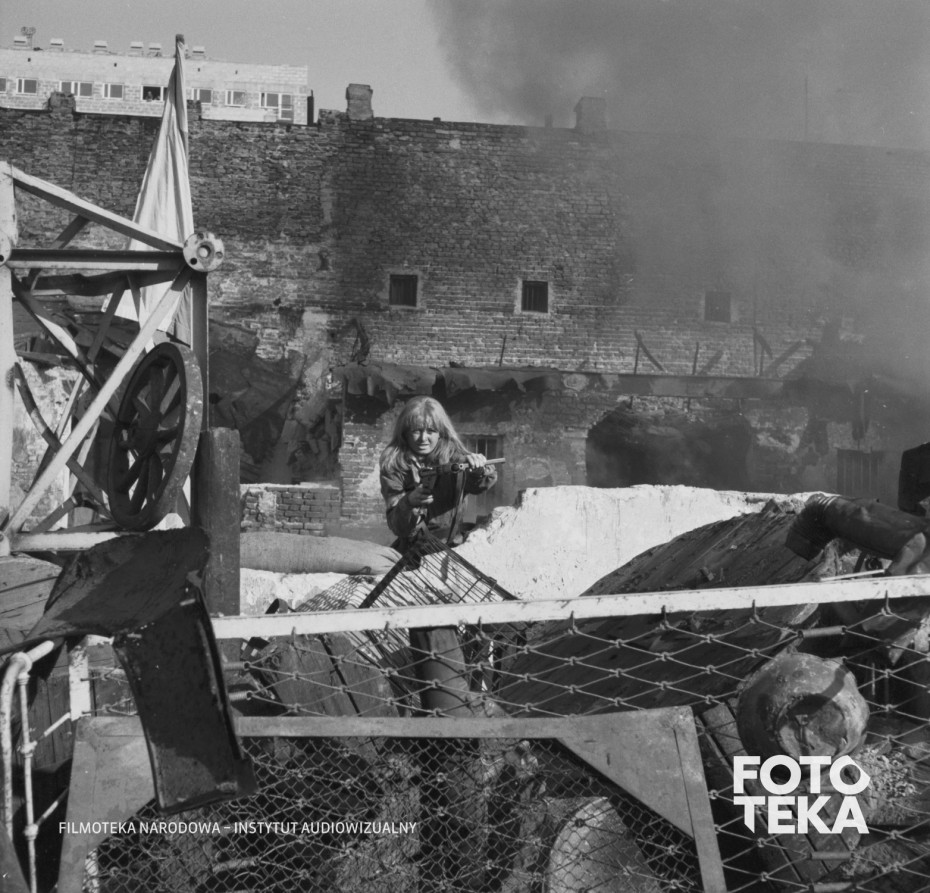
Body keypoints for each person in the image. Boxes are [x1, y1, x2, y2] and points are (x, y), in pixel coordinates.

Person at [379, 396, 498, 550]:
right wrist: (409, 502)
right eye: (416, 431)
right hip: (412, 547)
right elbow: (397, 526)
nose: (423, 438)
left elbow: (479, 486)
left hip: (452, 544)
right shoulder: (393, 463)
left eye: (430, 431)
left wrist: (478, 470)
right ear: (405, 432)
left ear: (440, 432)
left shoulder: (453, 455)